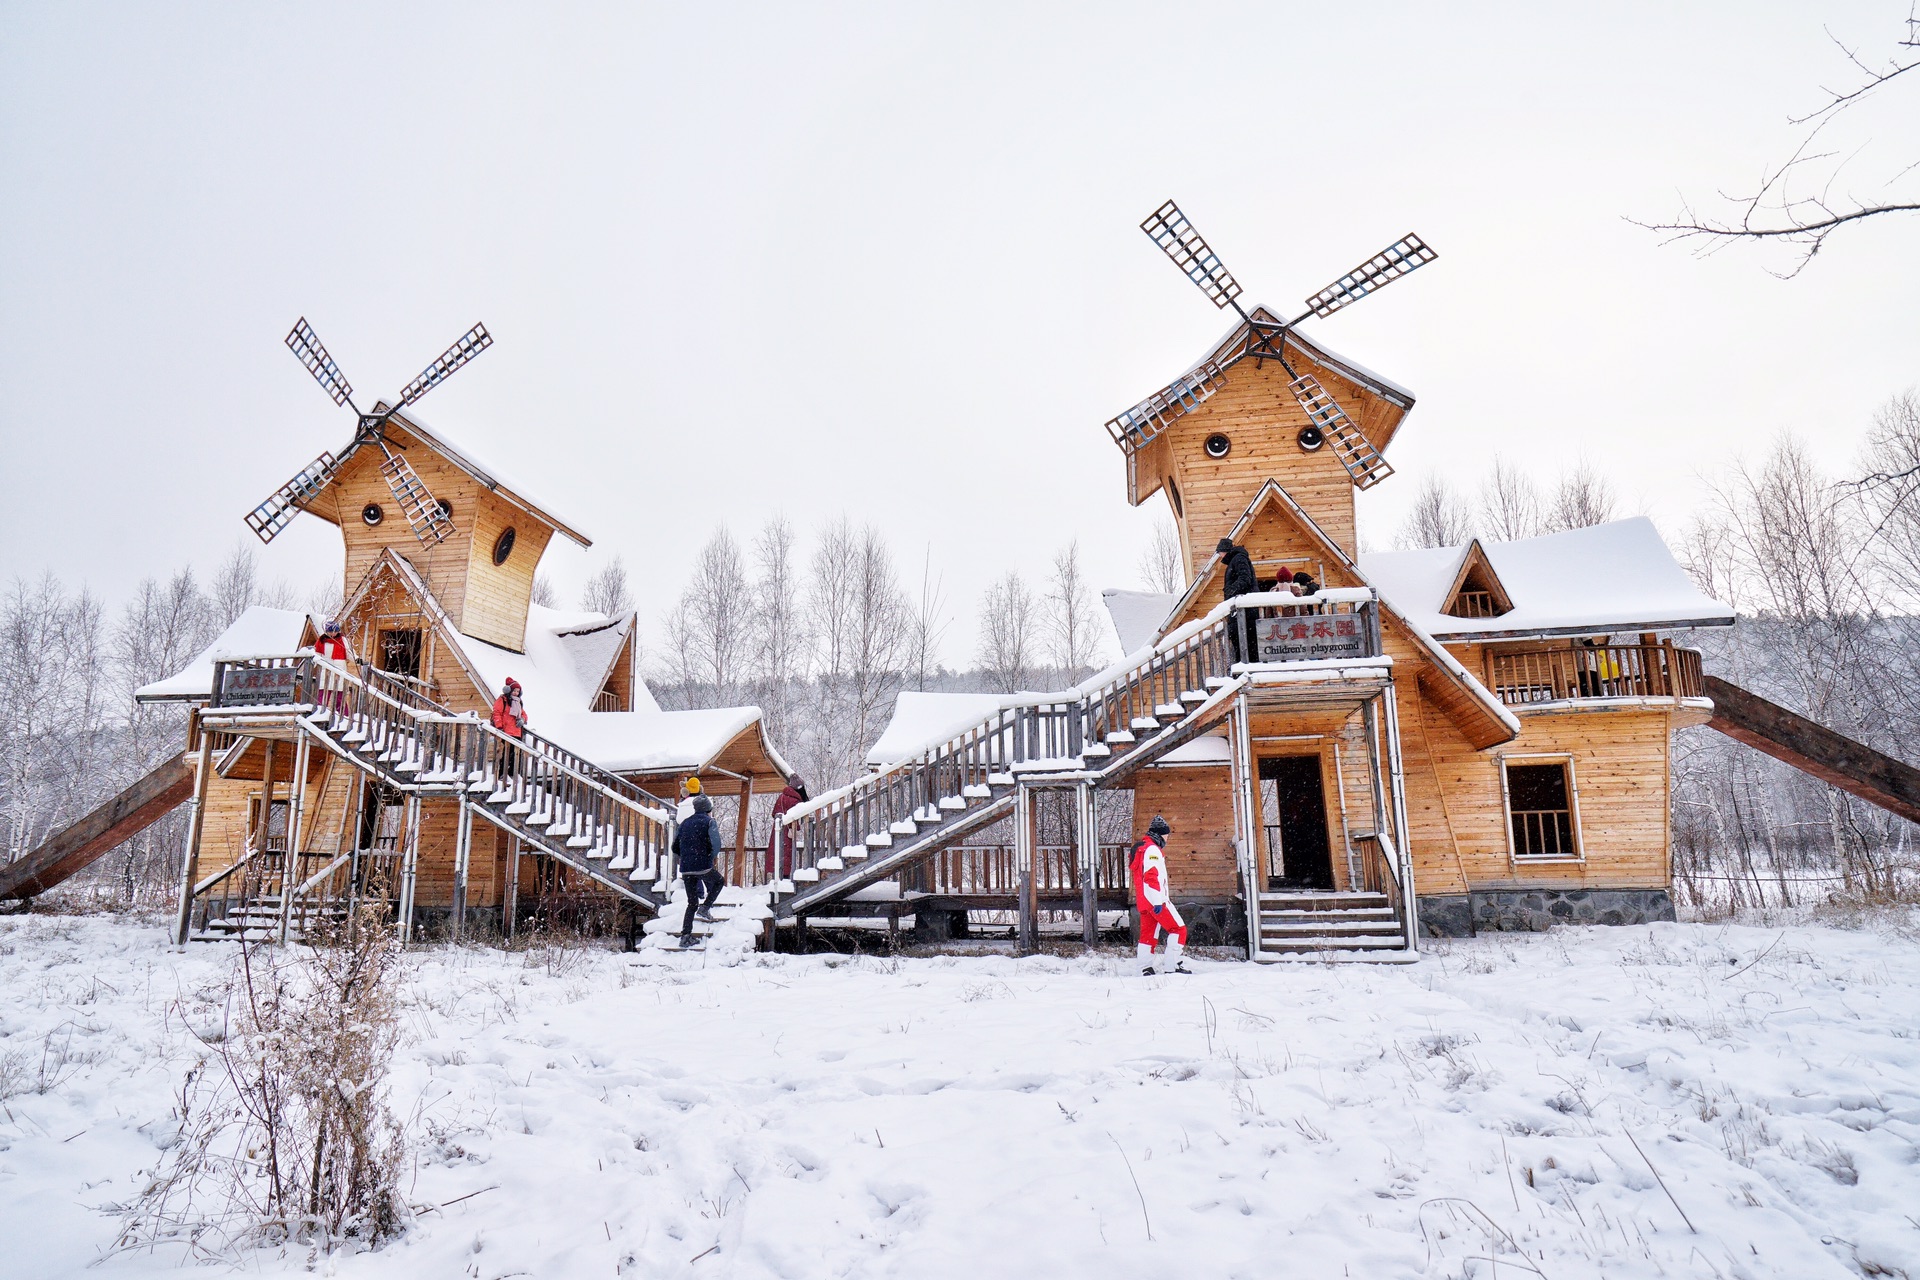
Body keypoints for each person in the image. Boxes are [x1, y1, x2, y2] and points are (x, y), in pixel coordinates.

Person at [1130, 813, 1190, 975]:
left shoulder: (1142, 848)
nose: (1167, 839)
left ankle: (1144, 968)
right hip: (1156, 900)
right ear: (1160, 834)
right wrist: (1158, 901)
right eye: (1166, 835)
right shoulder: (1152, 850)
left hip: (1144, 900)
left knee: (1148, 936)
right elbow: (1150, 877)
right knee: (1178, 930)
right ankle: (1171, 966)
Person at [673, 794, 726, 946]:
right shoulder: (710, 822)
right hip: (702, 865)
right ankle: (706, 907)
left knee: (691, 903)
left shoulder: (684, 823)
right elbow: (716, 845)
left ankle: (685, 936)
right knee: (719, 881)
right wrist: (709, 857)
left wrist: (686, 857)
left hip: (686, 868)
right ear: (708, 809)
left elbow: (675, 846)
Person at [1217, 537, 1260, 664]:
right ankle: (1245, 668)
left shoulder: (1238, 559)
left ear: (1224, 551)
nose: (1220, 556)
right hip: (1243, 613)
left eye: (1220, 553)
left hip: (1245, 613)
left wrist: (1230, 591)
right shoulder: (1236, 560)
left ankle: (1247, 670)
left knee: (1246, 645)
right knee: (1244, 645)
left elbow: (1245, 578)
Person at [765, 773, 809, 879]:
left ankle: (778, 877)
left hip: (777, 830)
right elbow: (797, 815)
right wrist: (796, 828)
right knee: (787, 856)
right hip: (788, 832)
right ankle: (785, 878)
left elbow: (774, 813)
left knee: (778, 854)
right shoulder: (795, 801)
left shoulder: (782, 797)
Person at [490, 677, 528, 781]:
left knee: (516, 753)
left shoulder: (518, 702)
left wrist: (523, 720)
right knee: (508, 752)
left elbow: (524, 714)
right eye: (514, 690)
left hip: (516, 731)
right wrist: (499, 726)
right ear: (509, 690)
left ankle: (512, 774)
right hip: (506, 731)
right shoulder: (503, 700)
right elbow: (497, 713)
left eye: (518, 691)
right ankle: (502, 773)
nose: (516, 693)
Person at [313, 620, 352, 716]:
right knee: (322, 696)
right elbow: (316, 654)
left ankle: (345, 716)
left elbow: (349, 652)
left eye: (335, 631)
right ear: (327, 631)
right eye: (330, 631)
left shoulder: (342, 640)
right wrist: (313, 662)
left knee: (340, 697)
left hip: (339, 670)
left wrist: (357, 659)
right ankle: (319, 714)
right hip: (325, 670)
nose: (333, 634)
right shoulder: (321, 641)